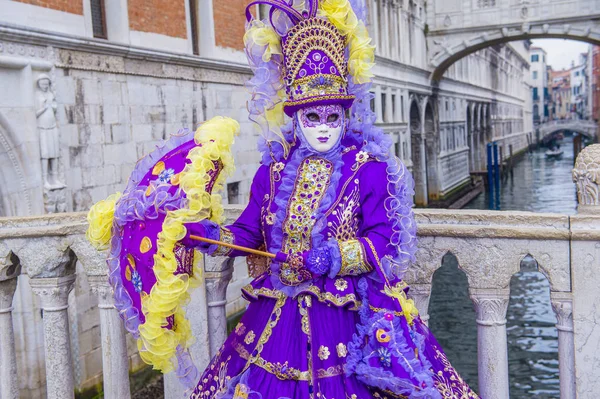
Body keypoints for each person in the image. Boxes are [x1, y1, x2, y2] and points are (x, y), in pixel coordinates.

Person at [183, 1, 479, 398]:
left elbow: (384, 239)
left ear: (345, 116)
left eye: (331, 119)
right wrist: (207, 235)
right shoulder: (271, 174)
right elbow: (248, 231)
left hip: (344, 315)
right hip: (276, 312)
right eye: (312, 119)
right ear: (295, 119)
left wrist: (333, 257)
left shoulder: (368, 169)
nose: (322, 129)